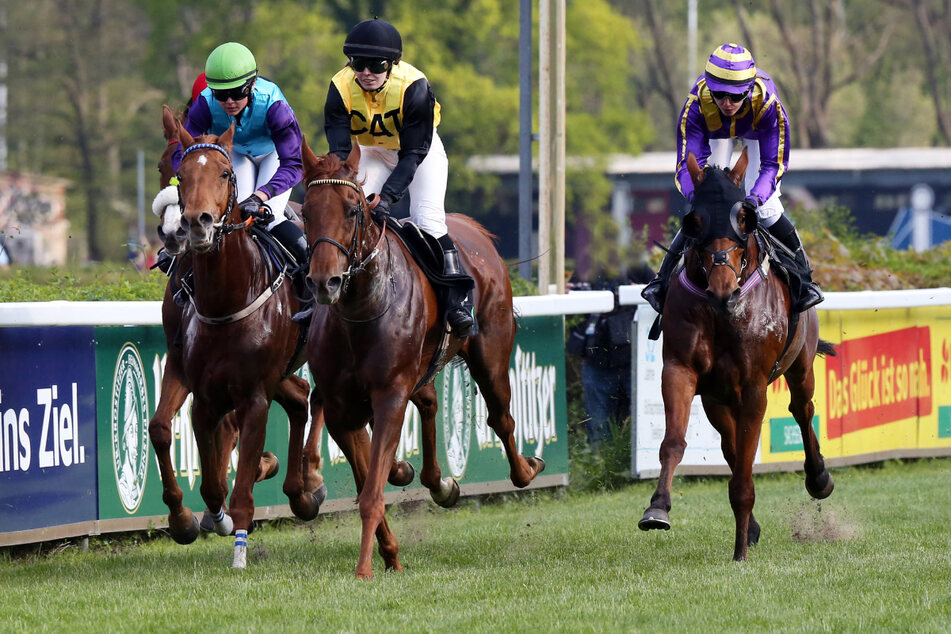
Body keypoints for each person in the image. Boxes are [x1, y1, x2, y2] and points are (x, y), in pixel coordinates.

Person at [641, 43, 823, 315]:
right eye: (719, 94)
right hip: (715, 136)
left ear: (748, 90)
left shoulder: (769, 105)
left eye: (734, 96)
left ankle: (805, 281)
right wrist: (701, 197)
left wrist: (752, 199)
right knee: (703, 211)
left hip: (757, 134)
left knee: (767, 209)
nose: (726, 103)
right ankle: (661, 281)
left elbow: (773, 165)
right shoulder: (696, 106)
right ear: (708, 89)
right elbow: (685, 165)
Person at [323, 18, 475, 337]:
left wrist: (388, 199)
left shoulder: (414, 86)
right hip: (370, 151)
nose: (365, 72)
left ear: (393, 64)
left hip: (418, 151)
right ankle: (328, 294)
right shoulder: (339, 86)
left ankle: (457, 301)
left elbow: (412, 155)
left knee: (428, 220)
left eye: (375, 65)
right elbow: (339, 151)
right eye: (357, 63)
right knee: (348, 212)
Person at [165, 42, 312, 319]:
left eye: (237, 93)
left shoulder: (274, 106)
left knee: (271, 218)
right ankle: (190, 280)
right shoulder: (205, 103)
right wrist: (187, 176)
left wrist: (262, 196)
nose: (229, 101)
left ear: (252, 83)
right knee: (229, 219)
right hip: (238, 155)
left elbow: (294, 164)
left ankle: (308, 283)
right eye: (222, 94)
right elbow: (181, 153)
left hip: (275, 157)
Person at [567, 273, 638, 448]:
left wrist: (637, 289)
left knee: (643, 418)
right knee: (598, 425)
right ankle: (600, 466)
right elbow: (569, 308)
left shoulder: (636, 266)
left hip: (633, 361)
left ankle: (636, 462)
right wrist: (570, 293)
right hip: (596, 359)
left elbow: (658, 294)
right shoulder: (586, 267)